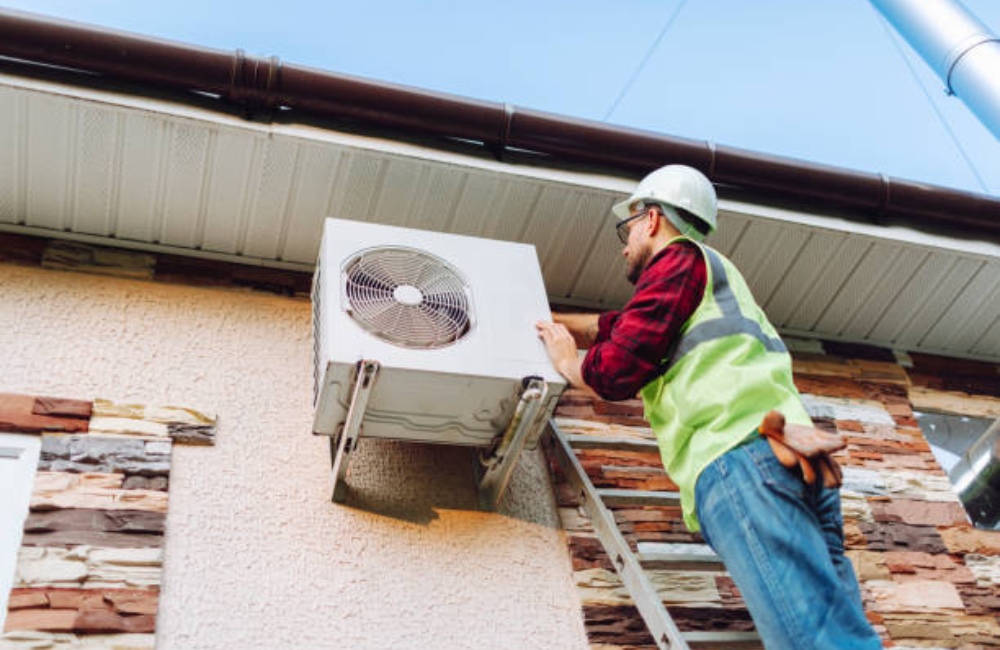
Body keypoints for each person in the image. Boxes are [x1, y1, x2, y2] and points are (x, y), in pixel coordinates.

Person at [535, 165, 882, 650]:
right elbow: (618, 324)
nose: (624, 242)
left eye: (628, 226)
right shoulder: (708, 273)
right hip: (793, 457)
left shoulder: (675, 263)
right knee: (840, 636)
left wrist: (571, 365)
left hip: (740, 459)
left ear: (652, 219)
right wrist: (549, 319)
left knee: (811, 643)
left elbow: (617, 367)